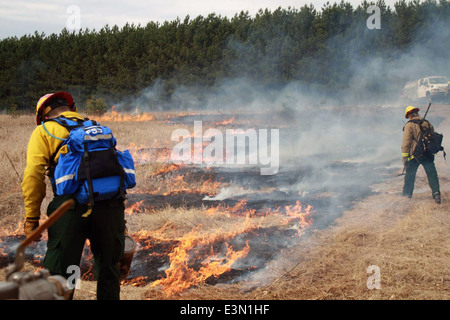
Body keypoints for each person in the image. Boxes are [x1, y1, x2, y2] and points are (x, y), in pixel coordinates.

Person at [22, 92, 125, 300]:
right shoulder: (97, 128)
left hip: (68, 210)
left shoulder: (44, 131)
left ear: (43, 115)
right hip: (110, 208)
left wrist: (32, 217)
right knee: (109, 271)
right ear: (72, 108)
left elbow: (33, 176)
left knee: (64, 271)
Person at [401, 105, 441, 204]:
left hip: (414, 155)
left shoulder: (409, 125)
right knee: (432, 175)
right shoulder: (427, 123)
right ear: (416, 113)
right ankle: (436, 194)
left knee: (410, 175)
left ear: (409, 115)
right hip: (427, 154)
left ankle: (407, 195)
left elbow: (406, 143)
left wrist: (405, 159)